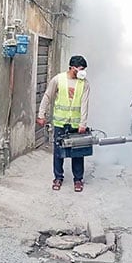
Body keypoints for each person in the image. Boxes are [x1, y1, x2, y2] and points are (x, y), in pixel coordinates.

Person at [37, 55, 90, 192]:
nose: (83, 71)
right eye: (81, 69)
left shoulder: (84, 83)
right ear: (72, 68)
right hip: (60, 122)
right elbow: (48, 96)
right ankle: (58, 177)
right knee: (59, 152)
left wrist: (83, 124)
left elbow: (85, 104)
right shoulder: (58, 79)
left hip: (76, 123)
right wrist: (41, 114)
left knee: (78, 151)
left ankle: (78, 179)